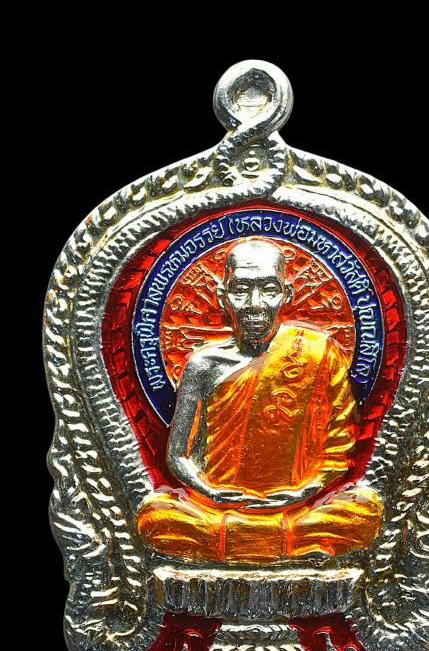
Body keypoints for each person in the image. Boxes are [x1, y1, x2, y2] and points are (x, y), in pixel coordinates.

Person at [136, 238, 383, 563]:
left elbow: (338, 451)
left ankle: (240, 543)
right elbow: (178, 456)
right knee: (155, 516)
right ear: (222, 296)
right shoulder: (202, 365)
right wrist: (210, 493)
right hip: (217, 510)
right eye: (240, 290)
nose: (255, 304)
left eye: (269, 289)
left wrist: (303, 493)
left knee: (364, 512)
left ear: (287, 294)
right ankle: (279, 544)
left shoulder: (317, 353)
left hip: (297, 509)